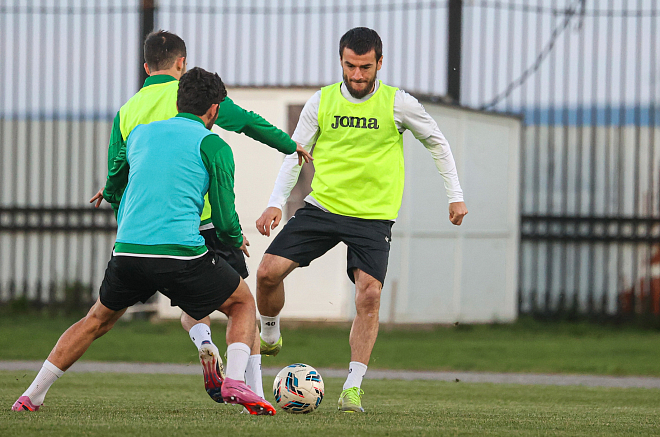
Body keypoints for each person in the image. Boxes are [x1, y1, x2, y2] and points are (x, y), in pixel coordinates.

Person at [12, 67, 275, 416]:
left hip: (128, 252)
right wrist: (235, 238)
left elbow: (114, 180)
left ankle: (31, 395)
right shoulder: (214, 145)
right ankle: (236, 381)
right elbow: (225, 218)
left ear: (179, 101)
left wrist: (112, 193)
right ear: (215, 109)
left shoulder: (139, 133)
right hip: (181, 255)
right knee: (241, 303)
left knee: (95, 320)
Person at [255, 27, 468, 413]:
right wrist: (275, 203)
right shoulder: (321, 101)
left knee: (369, 295)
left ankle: (352, 388)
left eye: (365, 67)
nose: (356, 74)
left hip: (372, 218)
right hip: (323, 208)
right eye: (350, 66)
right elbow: (294, 152)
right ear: (341, 61)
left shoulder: (398, 103)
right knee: (267, 273)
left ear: (379, 63)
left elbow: (437, 142)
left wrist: (455, 196)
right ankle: (270, 334)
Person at [105, 30, 311, 402]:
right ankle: (253, 390)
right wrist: (289, 144)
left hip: (158, 229)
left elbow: (118, 172)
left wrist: (110, 196)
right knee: (241, 305)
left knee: (191, 306)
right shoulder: (195, 96)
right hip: (208, 221)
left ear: (146, 67)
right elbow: (248, 122)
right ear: (182, 63)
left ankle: (203, 341)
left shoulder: (128, 110)